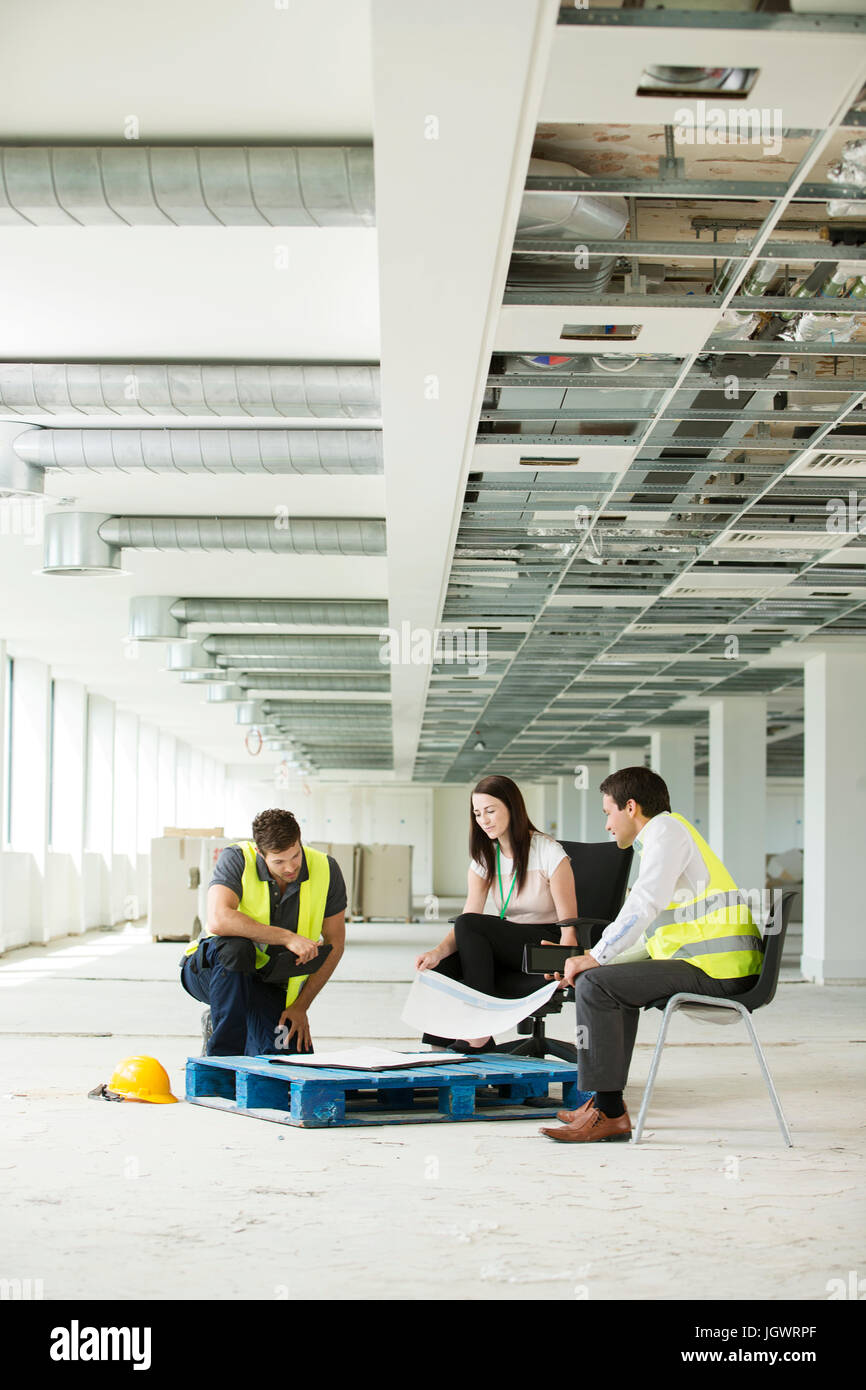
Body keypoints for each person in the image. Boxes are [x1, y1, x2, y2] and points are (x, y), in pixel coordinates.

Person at [539, 767, 764, 1144]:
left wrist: (594, 960)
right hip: (708, 962)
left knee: (597, 984)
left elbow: (644, 904)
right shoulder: (665, 835)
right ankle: (603, 1104)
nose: (608, 825)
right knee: (599, 980)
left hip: (720, 970)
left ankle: (609, 1113)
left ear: (630, 807)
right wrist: (589, 958)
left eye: (608, 813)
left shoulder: (665, 832)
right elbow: (650, 934)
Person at [416, 774, 578, 1052]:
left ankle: (480, 1029)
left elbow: (570, 926)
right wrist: (437, 952)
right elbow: (468, 918)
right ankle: (438, 1052)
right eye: (478, 813)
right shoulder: (485, 857)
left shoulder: (548, 851)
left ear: (512, 809)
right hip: (513, 942)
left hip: (546, 945)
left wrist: (566, 964)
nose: (484, 820)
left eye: (490, 811)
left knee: (470, 925)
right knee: (443, 966)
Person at [180, 808, 346, 1057]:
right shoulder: (237, 858)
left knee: (286, 1062)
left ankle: (228, 1020)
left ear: (299, 842)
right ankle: (221, 1060)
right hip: (215, 972)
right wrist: (288, 937)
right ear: (260, 853)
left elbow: (336, 943)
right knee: (236, 948)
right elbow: (218, 919)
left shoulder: (326, 868)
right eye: (279, 861)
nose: (290, 867)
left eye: (295, 856)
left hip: (269, 981)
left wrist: (300, 1007)